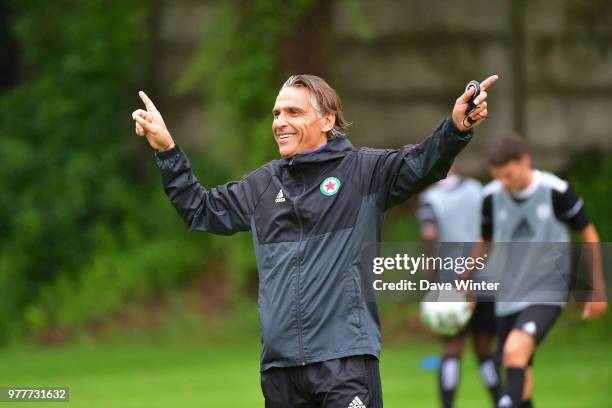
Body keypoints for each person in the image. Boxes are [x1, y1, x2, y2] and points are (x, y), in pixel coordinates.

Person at [131, 73, 498, 407]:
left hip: (346, 362)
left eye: (293, 112)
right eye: (276, 114)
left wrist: (455, 127)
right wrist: (167, 150)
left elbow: (423, 162)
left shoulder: (364, 172)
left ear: (327, 121)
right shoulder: (262, 186)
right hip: (281, 370)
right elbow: (201, 210)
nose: (280, 122)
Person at [478, 133, 608, 408]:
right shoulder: (490, 198)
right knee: (519, 370)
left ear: (525, 161)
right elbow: (485, 243)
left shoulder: (555, 191)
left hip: (546, 292)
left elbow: (589, 235)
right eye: (498, 177)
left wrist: (597, 290)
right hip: (508, 295)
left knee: (514, 352)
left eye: (509, 175)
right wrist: (463, 282)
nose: (504, 183)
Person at [418, 164, 501, 408]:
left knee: (452, 348)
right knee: (484, 348)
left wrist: (428, 263)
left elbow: (429, 233)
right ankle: (502, 402)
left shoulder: (430, 198)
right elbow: (492, 231)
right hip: (486, 278)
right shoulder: (478, 189)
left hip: (450, 282)